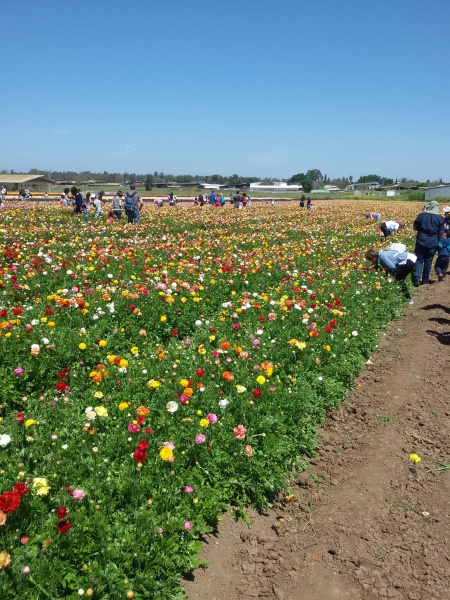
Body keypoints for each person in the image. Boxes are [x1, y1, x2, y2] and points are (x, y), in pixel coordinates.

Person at [412, 200, 445, 286]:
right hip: (432, 243)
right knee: (428, 261)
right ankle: (425, 280)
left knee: (419, 260)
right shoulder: (441, 218)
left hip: (420, 241)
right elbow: (441, 234)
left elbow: (414, 228)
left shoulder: (421, 216)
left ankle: (417, 278)